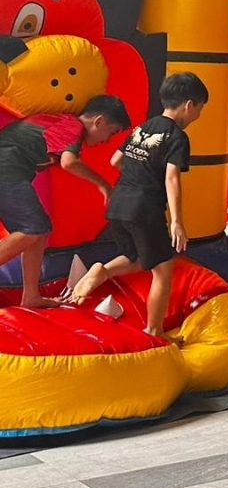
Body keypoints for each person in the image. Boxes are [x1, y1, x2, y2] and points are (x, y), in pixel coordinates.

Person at [70, 72, 207, 339]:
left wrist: (138, 174)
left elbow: (114, 160)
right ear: (189, 105)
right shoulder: (177, 137)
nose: (197, 116)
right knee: (164, 269)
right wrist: (178, 221)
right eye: (200, 109)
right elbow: (171, 177)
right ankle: (154, 330)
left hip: (119, 203)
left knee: (136, 258)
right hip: (144, 208)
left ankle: (102, 271)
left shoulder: (143, 127)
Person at [0, 94, 130, 308]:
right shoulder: (72, 125)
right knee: (34, 229)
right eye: (111, 132)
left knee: (40, 230)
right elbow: (69, 163)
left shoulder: (62, 124)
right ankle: (31, 295)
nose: (106, 140)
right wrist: (103, 185)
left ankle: (31, 296)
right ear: (99, 121)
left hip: (11, 171)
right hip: (6, 170)